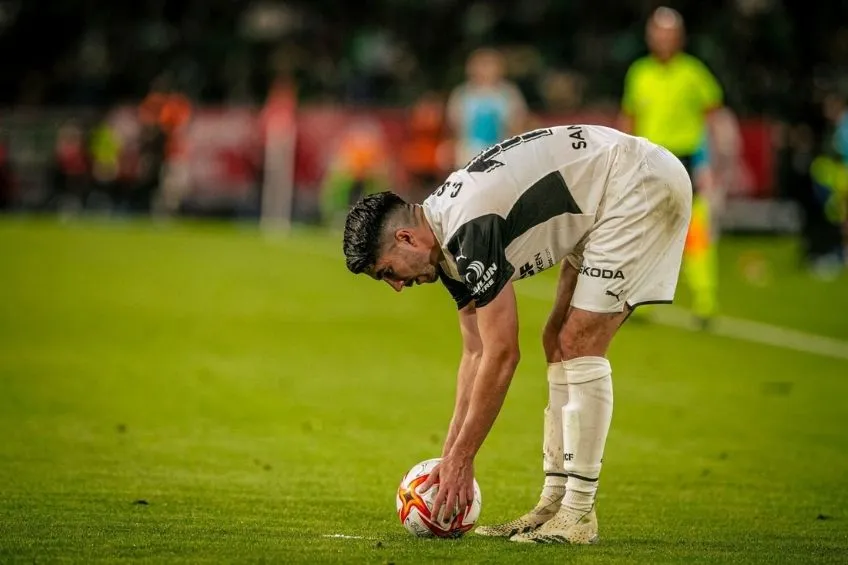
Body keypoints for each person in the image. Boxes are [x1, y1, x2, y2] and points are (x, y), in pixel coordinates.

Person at [342, 125, 692, 544]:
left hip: (636, 186)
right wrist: (451, 453)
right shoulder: (441, 240)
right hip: (604, 194)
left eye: (388, 273)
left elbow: (503, 353)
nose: (397, 285)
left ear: (405, 239)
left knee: (578, 342)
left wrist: (464, 459)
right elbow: (475, 352)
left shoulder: (467, 229)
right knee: (557, 342)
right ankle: (553, 505)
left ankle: (578, 513)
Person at [619, 6, 723, 327]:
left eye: (670, 34)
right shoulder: (639, 72)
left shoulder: (693, 73)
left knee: (695, 232)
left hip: (686, 160)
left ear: (680, 38)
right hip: (650, 159)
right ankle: (644, 301)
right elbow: (629, 118)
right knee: (648, 231)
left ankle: (705, 300)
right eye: (658, 33)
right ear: (650, 36)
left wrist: (710, 162)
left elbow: (713, 117)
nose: (663, 39)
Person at [447, 47, 528, 169]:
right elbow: (454, 125)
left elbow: (518, 123)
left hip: (501, 156)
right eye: (481, 65)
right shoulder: (462, 94)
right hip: (468, 157)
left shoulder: (509, 93)